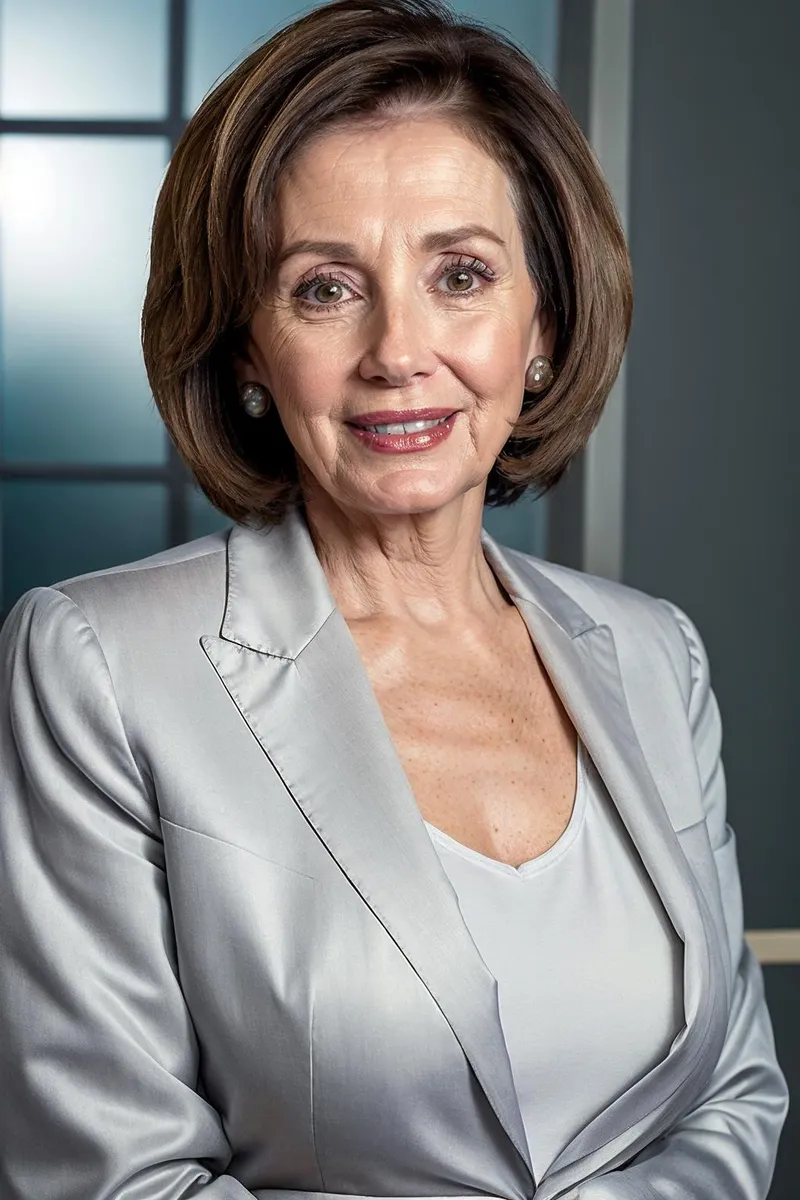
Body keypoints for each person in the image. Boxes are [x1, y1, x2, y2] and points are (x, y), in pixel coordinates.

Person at [0, 1, 788, 1197]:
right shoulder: (97, 665)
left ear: (543, 321)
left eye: (460, 274)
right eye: (324, 290)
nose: (397, 351)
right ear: (249, 348)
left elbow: (732, 1090)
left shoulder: (650, 655)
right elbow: (115, 1179)